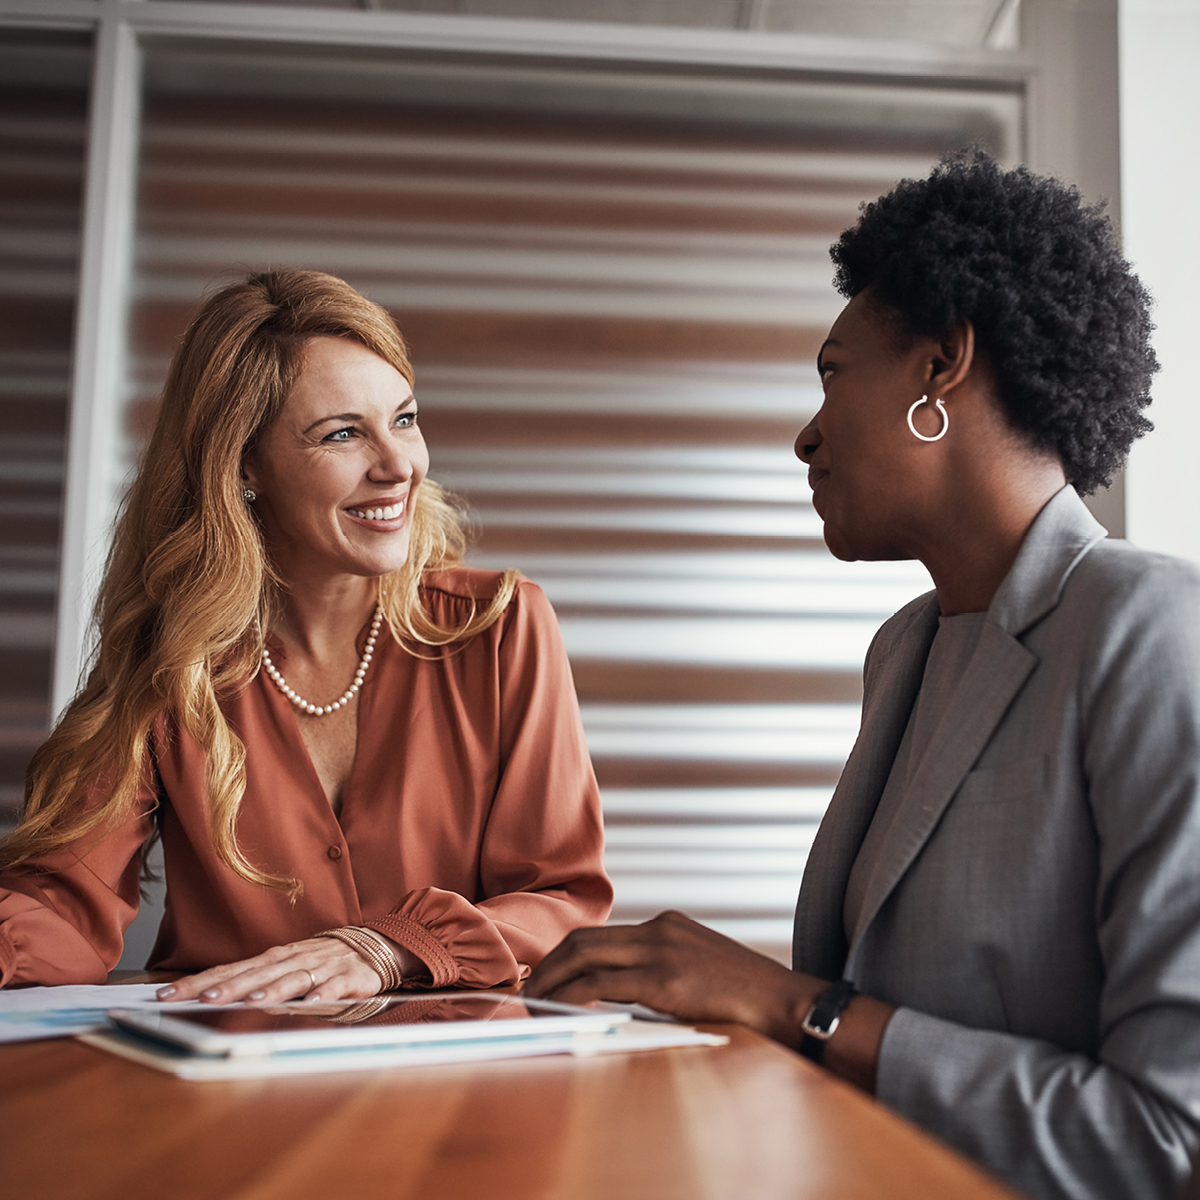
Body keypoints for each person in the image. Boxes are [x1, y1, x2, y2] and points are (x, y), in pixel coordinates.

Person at [525, 151, 1200, 1200]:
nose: (807, 434)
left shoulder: (1151, 627)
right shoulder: (906, 649)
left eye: (834, 373)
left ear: (942, 366)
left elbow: (1168, 1140)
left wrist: (793, 1006)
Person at [0, 269, 611, 1003]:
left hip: (453, 1082)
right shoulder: (171, 658)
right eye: (344, 434)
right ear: (244, 466)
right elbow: (64, 902)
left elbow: (562, 899)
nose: (398, 467)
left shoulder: (503, 628)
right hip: (226, 1078)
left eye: (406, 420)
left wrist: (389, 947)